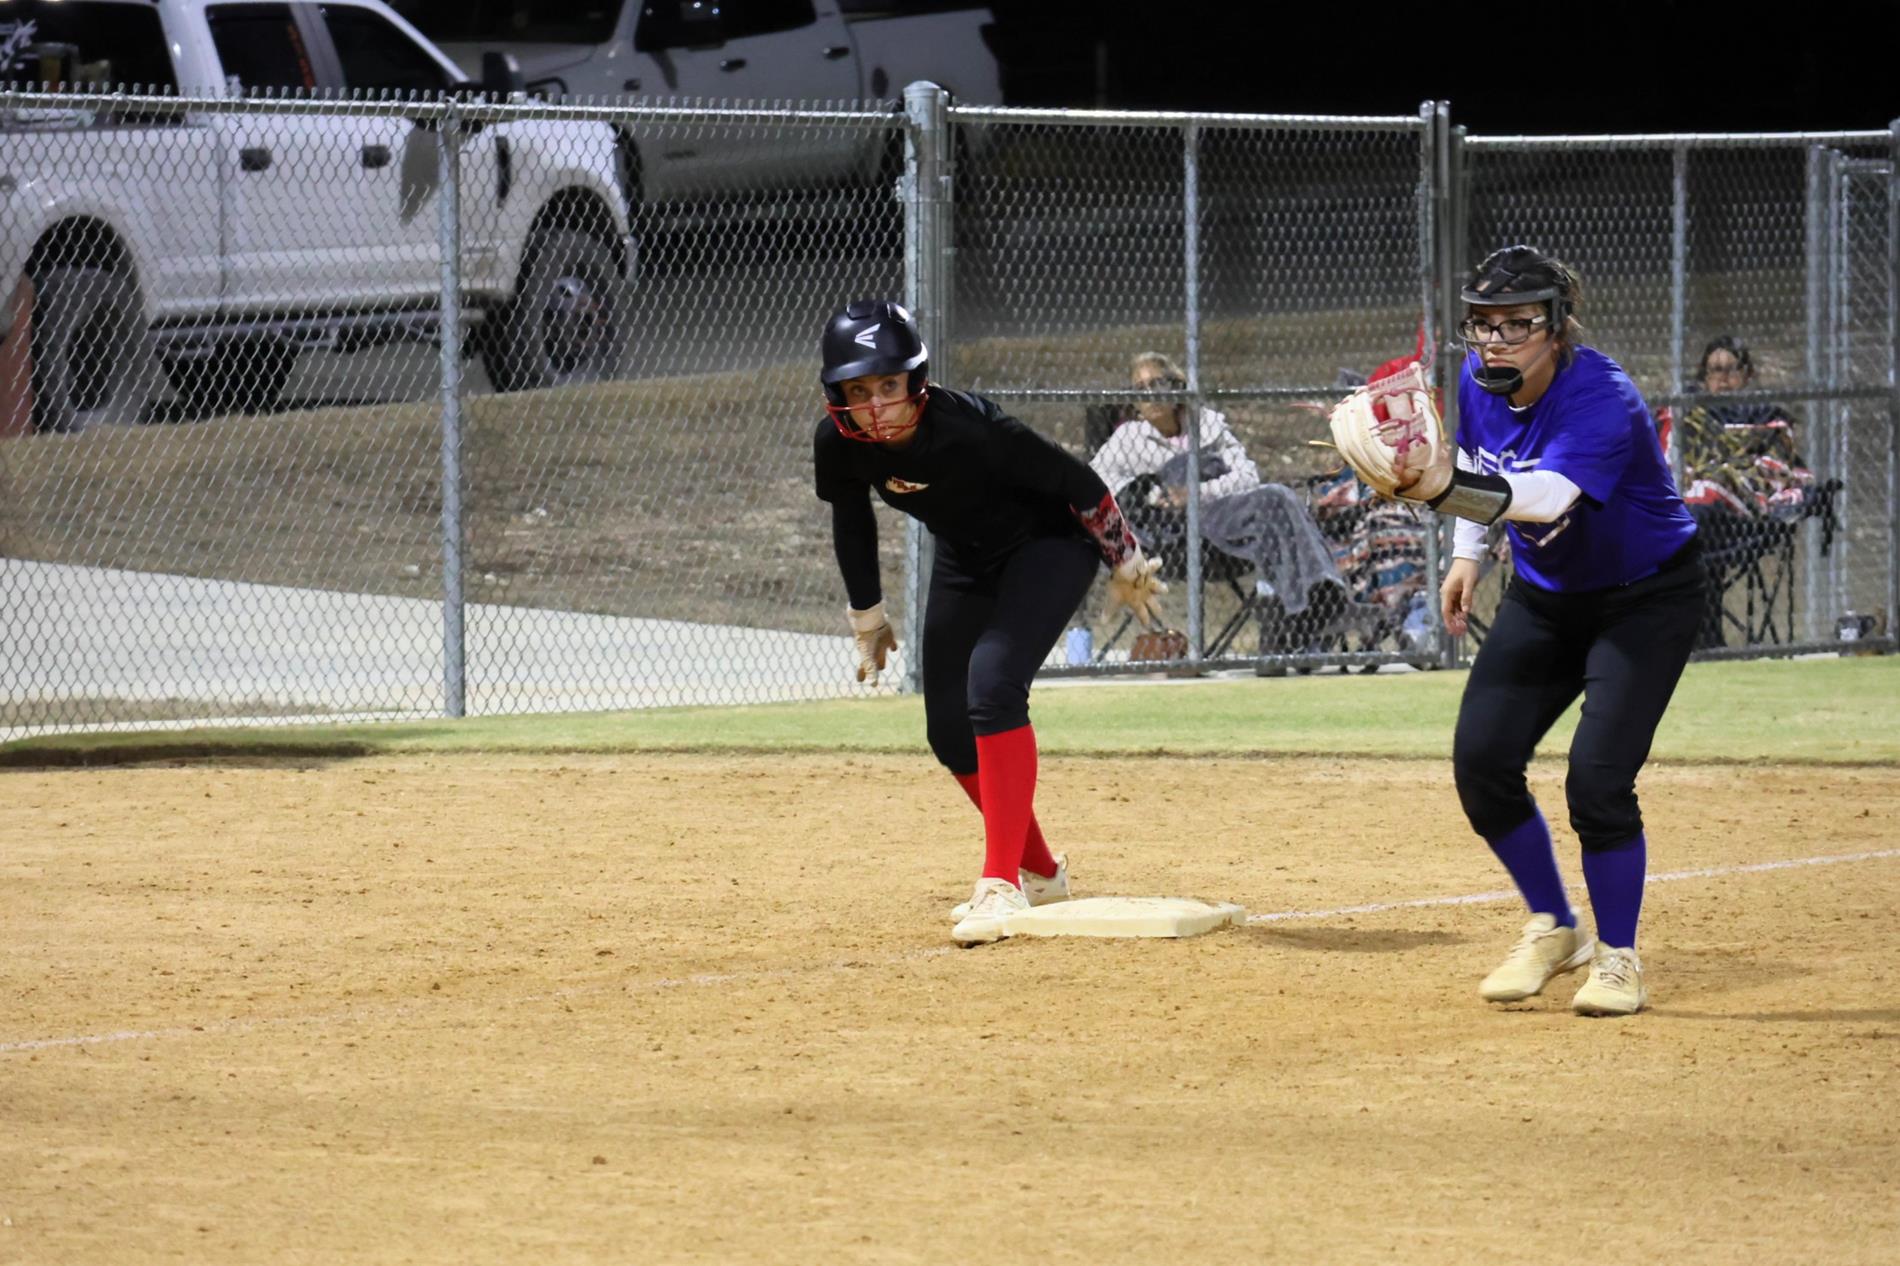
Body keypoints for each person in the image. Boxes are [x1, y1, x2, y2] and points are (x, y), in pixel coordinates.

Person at [1386, 245, 1707, 1016]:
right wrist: (1468, 555)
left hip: (1646, 599)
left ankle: (1619, 958)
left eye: (1517, 324)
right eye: (1482, 325)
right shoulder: (1476, 378)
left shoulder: (1603, 395)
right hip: (1546, 595)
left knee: (1597, 781)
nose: (1495, 341)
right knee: (1482, 761)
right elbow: (1474, 454)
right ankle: (1557, 927)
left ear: (1558, 328)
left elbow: (1550, 496)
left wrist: (1444, 491)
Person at [812, 299, 1165, 946]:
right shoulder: (839, 443)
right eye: (859, 391)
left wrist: (1126, 557)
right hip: (966, 558)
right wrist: (868, 615)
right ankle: (1041, 871)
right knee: (948, 732)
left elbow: (1075, 480)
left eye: (890, 385)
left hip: (1048, 545)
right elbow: (850, 518)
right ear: (838, 395)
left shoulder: (969, 427)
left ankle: (999, 883)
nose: (879, 406)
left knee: (994, 683)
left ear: (915, 381)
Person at [1091, 351, 1350, 640]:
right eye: (1141, 389)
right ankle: (1315, 607)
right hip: (1178, 540)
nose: (1150, 394)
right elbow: (1096, 483)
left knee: (1277, 502)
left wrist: (1197, 492)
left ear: (1176, 388)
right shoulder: (1128, 439)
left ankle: (1294, 620)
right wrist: (1155, 494)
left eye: (1157, 384)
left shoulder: (1208, 425)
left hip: (1227, 520)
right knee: (1273, 506)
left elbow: (1247, 475)